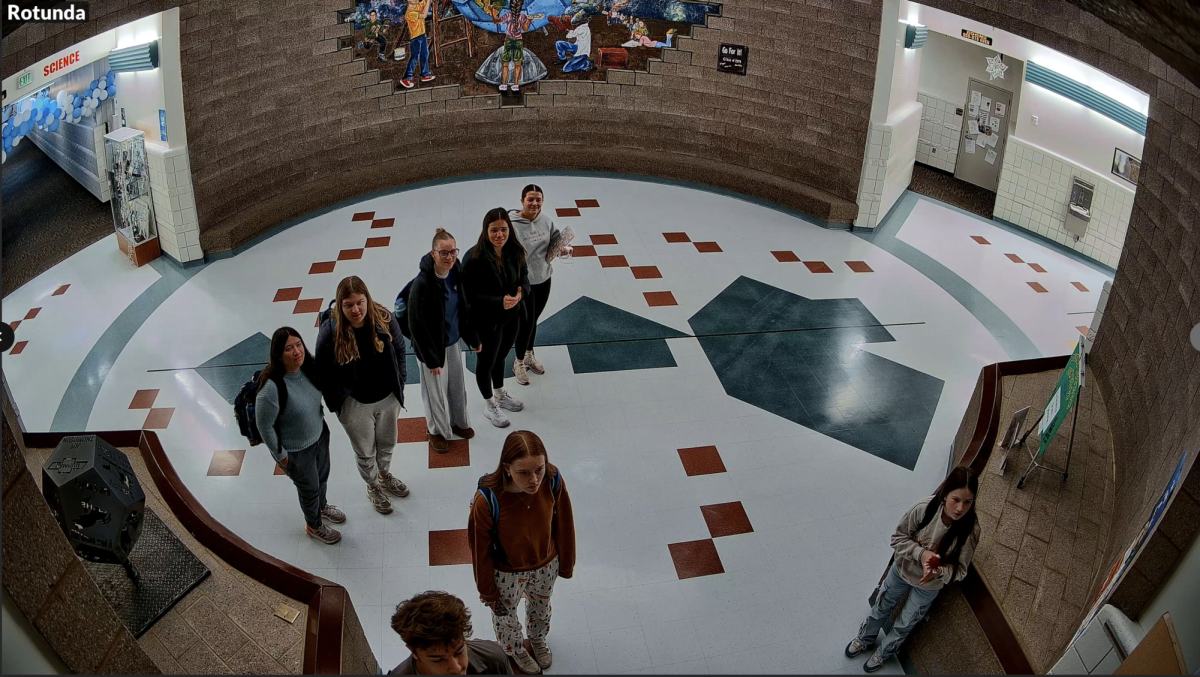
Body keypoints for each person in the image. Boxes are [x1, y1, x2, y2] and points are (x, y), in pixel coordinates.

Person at [846, 466, 981, 672]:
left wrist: (939, 572)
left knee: (906, 622)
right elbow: (897, 538)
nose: (960, 508)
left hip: (929, 586)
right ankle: (865, 638)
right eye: (956, 499)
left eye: (968, 502)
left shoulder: (970, 531)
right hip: (901, 571)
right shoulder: (924, 509)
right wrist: (922, 554)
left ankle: (883, 653)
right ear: (945, 494)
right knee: (882, 605)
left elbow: (961, 570)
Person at [467, 431, 575, 674]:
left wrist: (566, 562)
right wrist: (487, 591)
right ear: (506, 468)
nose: (534, 479)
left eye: (539, 469)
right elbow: (480, 549)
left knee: (541, 607)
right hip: (506, 571)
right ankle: (515, 648)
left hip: (546, 563)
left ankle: (537, 639)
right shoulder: (488, 500)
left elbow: (564, 522)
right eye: (523, 473)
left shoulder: (552, 479)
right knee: (505, 615)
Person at [316, 275, 410, 515]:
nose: (355, 310)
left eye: (360, 302)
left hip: (387, 398)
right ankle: (373, 486)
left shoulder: (384, 318)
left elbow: (400, 350)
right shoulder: (330, 331)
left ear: (367, 299)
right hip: (354, 404)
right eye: (348, 305)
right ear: (340, 305)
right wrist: (337, 405)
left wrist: (400, 384)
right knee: (365, 452)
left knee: (387, 443)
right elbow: (322, 371)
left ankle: (384, 475)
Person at [255, 327, 345, 545]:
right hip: (296, 451)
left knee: (321, 479)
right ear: (278, 355)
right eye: (288, 348)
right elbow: (264, 426)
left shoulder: (308, 368)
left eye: (298, 344)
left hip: (319, 436)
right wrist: (282, 457)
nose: (297, 351)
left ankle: (322, 507)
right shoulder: (271, 389)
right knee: (309, 490)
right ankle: (314, 525)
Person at [408, 228, 481, 453]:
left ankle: (459, 422)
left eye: (453, 252)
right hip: (431, 348)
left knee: (457, 385)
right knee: (435, 393)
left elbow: (463, 309)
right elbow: (417, 327)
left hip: (453, 341)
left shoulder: (456, 272)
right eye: (443, 253)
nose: (449, 257)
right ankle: (436, 431)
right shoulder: (422, 284)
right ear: (433, 254)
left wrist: (473, 339)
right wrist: (431, 360)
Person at [461, 208, 530, 428]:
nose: (499, 234)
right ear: (485, 230)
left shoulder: (516, 251)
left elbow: (525, 278)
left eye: (503, 229)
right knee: (486, 363)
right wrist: (498, 301)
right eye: (494, 230)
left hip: (511, 317)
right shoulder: (473, 258)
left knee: (501, 357)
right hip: (486, 322)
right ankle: (490, 405)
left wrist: (521, 294)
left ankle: (500, 393)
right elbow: (467, 295)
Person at [508, 185, 569, 386]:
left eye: (538, 199)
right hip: (522, 283)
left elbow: (555, 242)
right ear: (522, 201)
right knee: (525, 322)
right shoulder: (511, 224)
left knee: (533, 320)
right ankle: (518, 362)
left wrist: (563, 249)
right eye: (530, 199)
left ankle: (528, 355)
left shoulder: (546, 221)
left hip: (543, 279)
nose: (535, 203)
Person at [388, 591, 513, 674]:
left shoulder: (494, 659)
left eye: (459, 652)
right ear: (413, 651)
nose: (456, 668)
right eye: (438, 660)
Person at [399, 0, 435, 89]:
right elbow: (424, 15)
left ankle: (424, 73)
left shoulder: (417, 6)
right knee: (415, 57)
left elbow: (426, 1)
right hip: (415, 38)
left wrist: (428, 1)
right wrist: (428, 2)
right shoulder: (409, 14)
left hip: (422, 35)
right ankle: (406, 77)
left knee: (425, 54)